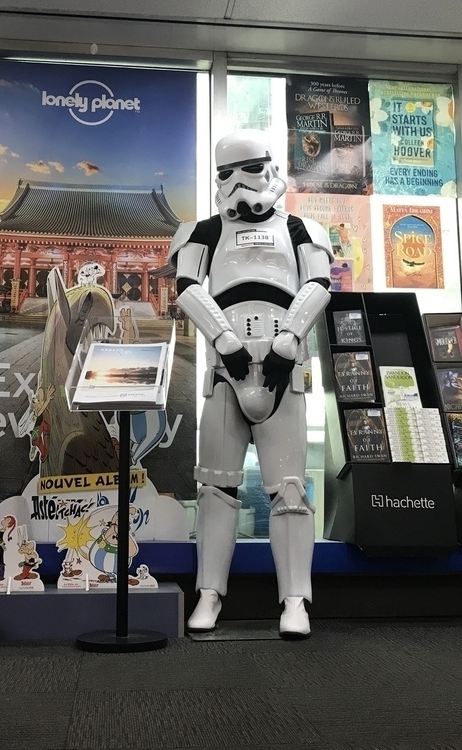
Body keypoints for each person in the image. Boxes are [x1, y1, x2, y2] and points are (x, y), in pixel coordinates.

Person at [169, 130, 332, 638]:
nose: (239, 183)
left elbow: (318, 283)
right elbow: (187, 287)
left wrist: (289, 340)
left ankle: (295, 601)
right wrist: (223, 340)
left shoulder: (303, 228)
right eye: (226, 173)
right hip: (225, 369)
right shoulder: (202, 231)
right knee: (215, 485)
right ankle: (210, 593)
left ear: (270, 167)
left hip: (283, 366)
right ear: (218, 179)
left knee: (288, 489)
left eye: (249, 169)